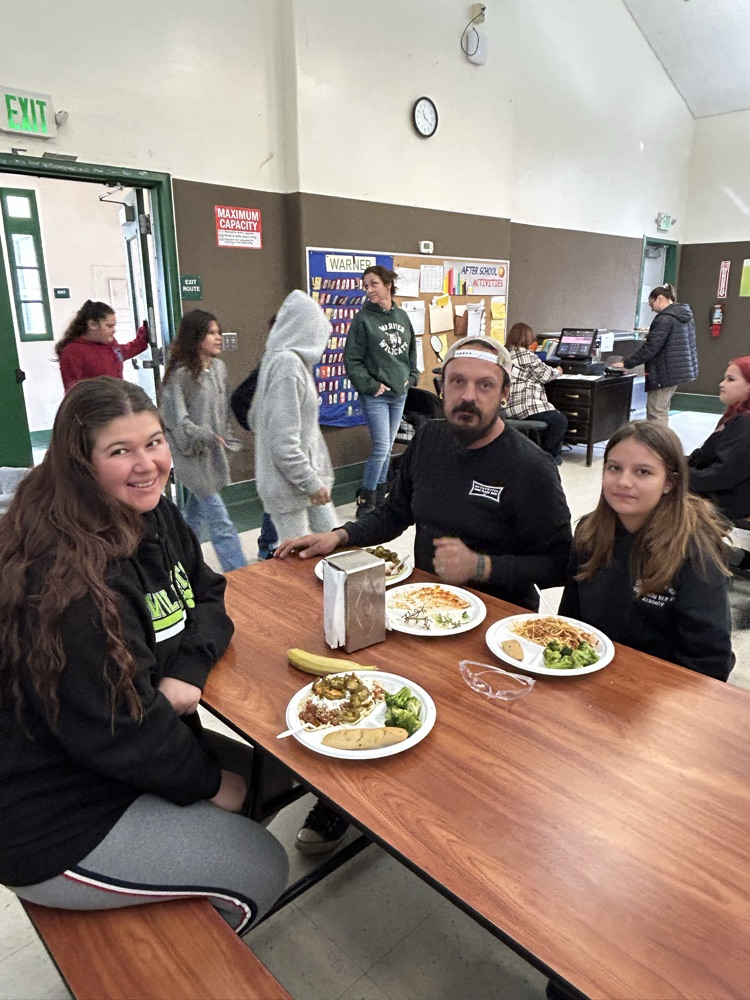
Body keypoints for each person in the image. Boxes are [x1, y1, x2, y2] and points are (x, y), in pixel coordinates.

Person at [0, 378, 288, 931]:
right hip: (53, 817)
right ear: (79, 463)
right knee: (263, 866)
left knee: (270, 776)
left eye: (154, 442)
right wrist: (207, 782)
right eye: (119, 450)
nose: (147, 464)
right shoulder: (66, 579)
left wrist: (187, 668)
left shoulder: (150, 513)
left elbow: (208, 593)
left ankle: (184, 894)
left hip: (115, 753)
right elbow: (120, 730)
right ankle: (180, 957)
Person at [276, 336, 573, 854]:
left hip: (496, 630)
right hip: (418, 607)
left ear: (503, 393)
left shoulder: (530, 468)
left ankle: (450, 827)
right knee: (379, 696)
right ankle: (345, 802)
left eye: (485, 386)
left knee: (464, 748)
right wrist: (339, 535)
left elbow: (559, 564)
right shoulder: (430, 439)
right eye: (457, 382)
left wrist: (483, 566)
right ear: (441, 386)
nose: (469, 396)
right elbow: (397, 511)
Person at [559, 421, 734, 681]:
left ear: (669, 483)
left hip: (661, 688)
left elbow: (709, 660)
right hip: (590, 674)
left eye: (643, 472)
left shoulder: (695, 548)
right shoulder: (588, 531)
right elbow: (570, 621)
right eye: (614, 468)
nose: (624, 482)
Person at [160, 309, 247, 573]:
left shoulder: (219, 368)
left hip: (212, 452)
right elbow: (176, 419)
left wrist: (225, 436)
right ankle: (241, 572)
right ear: (195, 337)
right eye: (211, 333)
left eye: (219, 332)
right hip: (189, 453)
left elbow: (223, 409)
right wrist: (204, 435)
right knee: (221, 520)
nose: (218, 338)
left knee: (194, 516)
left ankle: (179, 563)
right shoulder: (180, 375)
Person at [249, 290, 338, 539]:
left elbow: (256, 417)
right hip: (289, 486)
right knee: (299, 560)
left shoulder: (286, 360)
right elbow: (283, 442)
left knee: (334, 542)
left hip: (303, 480)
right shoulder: (287, 366)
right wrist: (310, 481)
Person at [344, 265, 419, 517]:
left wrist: (412, 377)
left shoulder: (402, 317)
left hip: (399, 393)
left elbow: (411, 350)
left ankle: (381, 494)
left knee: (386, 449)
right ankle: (366, 499)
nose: (369, 290)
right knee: (381, 447)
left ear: (388, 285)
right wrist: (371, 385)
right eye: (365, 285)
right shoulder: (363, 319)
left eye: (373, 284)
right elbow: (352, 360)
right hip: (375, 394)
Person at [614, 284, 698, 424]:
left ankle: (658, 444)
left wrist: (627, 363)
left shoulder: (664, 319)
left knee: (656, 413)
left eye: (651, 303)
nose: (651, 308)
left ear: (660, 298)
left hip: (664, 372)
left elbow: (651, 348)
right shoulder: (683, 315)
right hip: (679, 370)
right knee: (662, 409)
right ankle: (662, 442)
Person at [687, 357, 750, 522]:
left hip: (727, 504)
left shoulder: (746, 423)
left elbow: (722, 474)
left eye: (731, 379)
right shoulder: (738, 418)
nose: (722, 384)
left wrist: (680, 476)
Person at [505, 321, 567, 463]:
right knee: (559, 420)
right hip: (524, 406)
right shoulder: (526, 356)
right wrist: (558, 371)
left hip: (508, 407)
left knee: (552, 418)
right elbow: (545, 375)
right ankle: (548, 456)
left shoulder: (507, 355)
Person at [56, 300, 149, 393]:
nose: (114, 330)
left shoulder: (110, 343)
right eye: (109, 326)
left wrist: (144, 334)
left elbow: (126, 351)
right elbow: (73, 392)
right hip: (97, 405)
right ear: (92, 324)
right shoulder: (72, 352)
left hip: (117, 400)